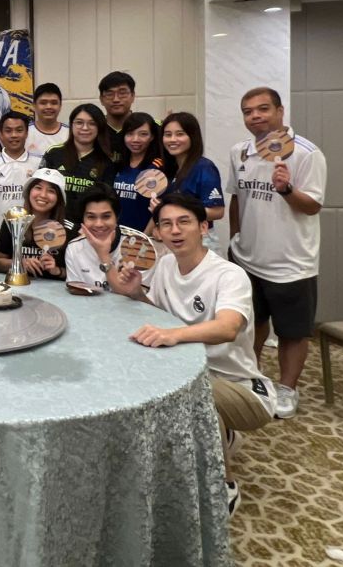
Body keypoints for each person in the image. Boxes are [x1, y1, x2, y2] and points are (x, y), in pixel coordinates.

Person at [113, 193, 274, 517]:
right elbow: (161, 315)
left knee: (187, 396)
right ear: (158, 232)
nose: (175, 230)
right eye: (166, 224)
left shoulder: (229, 275)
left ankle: (224, 485)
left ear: (203, 227)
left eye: (184, 222)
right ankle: (220, 434)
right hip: (191, 372)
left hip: (242, 387)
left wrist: (173, 334)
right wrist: (135, 294)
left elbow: (228, 328)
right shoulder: (166, 265)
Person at [228, 86, 326, 419]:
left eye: (263, 109)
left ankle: (287, 388)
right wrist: (235, 238)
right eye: (248, 111)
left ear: (280, 111)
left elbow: (312, 206)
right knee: (250, 324)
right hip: (247, 257)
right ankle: (251, 376)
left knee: (292, 331)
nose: (255, 116)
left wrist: (286, 189)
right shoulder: (240, 152)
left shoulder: (307, 154)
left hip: (291, 263)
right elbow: (237, 198)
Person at [64, 185, 155, 295]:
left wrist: (104, 256)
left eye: (106, 216)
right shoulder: (74, 248)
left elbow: (139, 299)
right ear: (83, 219)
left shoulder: (141, 245)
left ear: (117, 217)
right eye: (91, 217)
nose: (99, 224)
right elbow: (77, 294)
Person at [39, 104, 115, 224]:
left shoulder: (107, 162)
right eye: (79, 122)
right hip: (54, 225)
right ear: (71, 125)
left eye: (92, 123)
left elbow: (106, 201)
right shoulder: (54, 153)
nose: (85, 128)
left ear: (99, 127)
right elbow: (40, 191)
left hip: (89, 227)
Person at [0, 168, 69, 281]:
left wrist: (57, 271)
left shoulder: (68, 229)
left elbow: (80, 275)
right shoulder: (13, 220)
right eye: (38, 188)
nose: (43, 195)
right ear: (29, 192)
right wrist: (19, 263)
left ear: (59, 198)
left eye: (51, 191)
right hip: (17, 287)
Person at [157, 113, 225, 223]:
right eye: (168, 135)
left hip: (197, 232)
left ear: (192, 136)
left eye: (180, 134)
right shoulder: (168, 168)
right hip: (170, 231)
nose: (172, 139)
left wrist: (176, 212)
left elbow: (217, 212)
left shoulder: (204, 167)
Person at [111, 112, 167, 232]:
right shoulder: (118, 165)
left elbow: (158, 209)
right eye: (130, 134)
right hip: (116, 234)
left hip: (143, 237)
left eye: (143, 134)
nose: (135, 139)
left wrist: (144, 237)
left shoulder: (156, 168)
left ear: (152, 136)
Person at [98, 71, 137, 159]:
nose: (116, 99)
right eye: (109, 94)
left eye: (122, 93)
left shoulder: (148, 127)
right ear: (101, 99)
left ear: (133, 96)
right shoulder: (94, 130)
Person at [25, 82, 69, 158]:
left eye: (54, 103)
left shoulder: (70, 134)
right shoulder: (24, 133)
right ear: (34, 106)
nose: (49, 107)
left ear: (60, 106)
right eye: (43, 103)